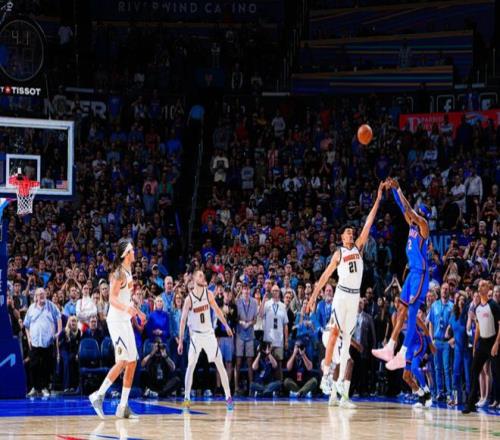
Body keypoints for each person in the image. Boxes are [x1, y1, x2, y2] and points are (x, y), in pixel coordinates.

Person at [308, 181, 385, 408]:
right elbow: (325, 276)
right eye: (348, 233)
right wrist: (313, 296)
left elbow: (369, 222)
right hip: (341, 295)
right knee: (334, 332)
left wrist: (378, 198)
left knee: (348, 341)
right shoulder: (339, 253)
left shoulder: (359, 247)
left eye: (352, 232)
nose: (351, 234)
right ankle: (326, 374)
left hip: (354, 297)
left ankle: (341, 389)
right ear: (342, 237)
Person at [373, 177, 431, 371]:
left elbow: (410, 211)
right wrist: (394, 191)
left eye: (418, 213)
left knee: (412, 312)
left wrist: (399, 189)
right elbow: (403, 208)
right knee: (401, 309)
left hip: (420, 274)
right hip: (412, 273)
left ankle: (403, 353)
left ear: (423, 216)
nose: (414, 215)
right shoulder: (413, 225)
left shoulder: (423, 226)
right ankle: (390, 347)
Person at [89, 238, 146, 419]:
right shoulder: (118, 273)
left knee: (132, 361)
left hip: (125, 320)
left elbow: (126, 299)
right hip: (115, 321)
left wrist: (138, 312)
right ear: (125, 254)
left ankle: (123, 407)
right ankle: (98, 396)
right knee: (122, 361)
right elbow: (112, 299)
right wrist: (127, 309)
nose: (134, 252)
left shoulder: (129, 272)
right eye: (131, 250)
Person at [177, 270, 234, 410]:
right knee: (191, 365)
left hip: (209, 334)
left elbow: (218, 311)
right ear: (194, 279)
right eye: (200, 275)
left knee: (220, 363)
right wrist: (181, 341)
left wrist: (226, 325)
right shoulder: (189, 299)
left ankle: (228, 397)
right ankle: (187, 398)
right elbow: (182, 321)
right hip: (196, 336)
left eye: (203, 275)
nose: (203, 277)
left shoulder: (208, 294)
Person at [462, 280, 500, 414]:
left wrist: (496, 343)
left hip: (493, 341)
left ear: (488, 288)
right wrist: (475, 345)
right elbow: (478, 327)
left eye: (483, 285)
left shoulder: (493, 305)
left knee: (496, 372)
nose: (480, 287)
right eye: (479, 286)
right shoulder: (477, 308)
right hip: (482, 343)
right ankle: (470, 403)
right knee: (474, 370)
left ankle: (497, 400)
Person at [24, 288, 62, 397]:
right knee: (33, 366)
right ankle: (35, 388)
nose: (41, 295)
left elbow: (59, 318)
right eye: (39, 294)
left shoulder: (51, 306)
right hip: (34, 342)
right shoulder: (31, 308)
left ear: (45, 295)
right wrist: (29, 338)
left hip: (47, 342)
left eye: (42, 293)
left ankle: (45, 388)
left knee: (46, 366)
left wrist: (58, 332)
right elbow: (26, 325)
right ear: (35, 296)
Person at [401, 308, 434, 409]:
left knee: (414, 368)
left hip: (419, 343)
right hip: (409, 347)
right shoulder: (398, 319)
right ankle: (421, 396)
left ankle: (427, 393)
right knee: (406, 377)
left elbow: (425, 330)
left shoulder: (413, 317)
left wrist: (431, 345)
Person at [428, 283, 453, 402]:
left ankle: (449, 393)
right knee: (437, 368)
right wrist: (431, 340)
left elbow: (453, 323)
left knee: (447, 368)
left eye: (447, 289)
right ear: (440, 290)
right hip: (436, 341)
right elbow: (431, 323)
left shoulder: (452, 306)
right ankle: (440, 392)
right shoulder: (434, 305)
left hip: (446, 342)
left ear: (449, 291)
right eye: (443, 288)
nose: (445, 291)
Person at [260, 284, 289, 381]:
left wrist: (286, 341)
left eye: (276, 290)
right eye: (273, 291)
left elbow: (285, 324)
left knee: (279, 364)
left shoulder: (283, 306)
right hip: (268, 339)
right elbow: (260, 315)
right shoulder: (267, 304)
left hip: (279, 339)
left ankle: (279, 385)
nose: (274, 292)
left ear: (279, 292)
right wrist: (263, 299)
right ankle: (268, 384)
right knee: (268, 362)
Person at [446, 292, 470, 406]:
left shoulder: (467, 315)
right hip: (457, 350)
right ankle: (456, 398)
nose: (461, 301)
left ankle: (469, 399)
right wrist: (450, 338)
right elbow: (448, 332)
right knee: (455, 374)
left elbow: (469, 331)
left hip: (467, 349)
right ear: (456, 302)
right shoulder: (453, 316)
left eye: (463, 300)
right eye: (460, 300)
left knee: (468, 375)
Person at [235, 282, 258, 394]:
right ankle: (235, 388)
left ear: (250, 291)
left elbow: (255, 319)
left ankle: (251, 388)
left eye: (248, 289)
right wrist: (241, 322)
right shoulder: (237, 302)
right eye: (244, 289)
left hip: (250, 334)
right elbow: (235, 317)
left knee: (250, 362)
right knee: (238, 362)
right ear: (242, 291)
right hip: (240, 334)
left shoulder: (254, 302)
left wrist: (250, 323)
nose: (246, 291)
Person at [57, 315, 81, 393]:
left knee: (74, 362)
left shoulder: (78, 332)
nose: (73, 322)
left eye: (74, 321)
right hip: (64, 350)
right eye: (71, 321)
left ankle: (74, 386)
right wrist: (58, 353)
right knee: (67, 362)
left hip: (73, 351)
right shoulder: (64, 331)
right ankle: (66, 386)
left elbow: (79, 344)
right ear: (69, 322)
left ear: (76, 322)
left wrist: (77, 354)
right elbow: (58, 341)